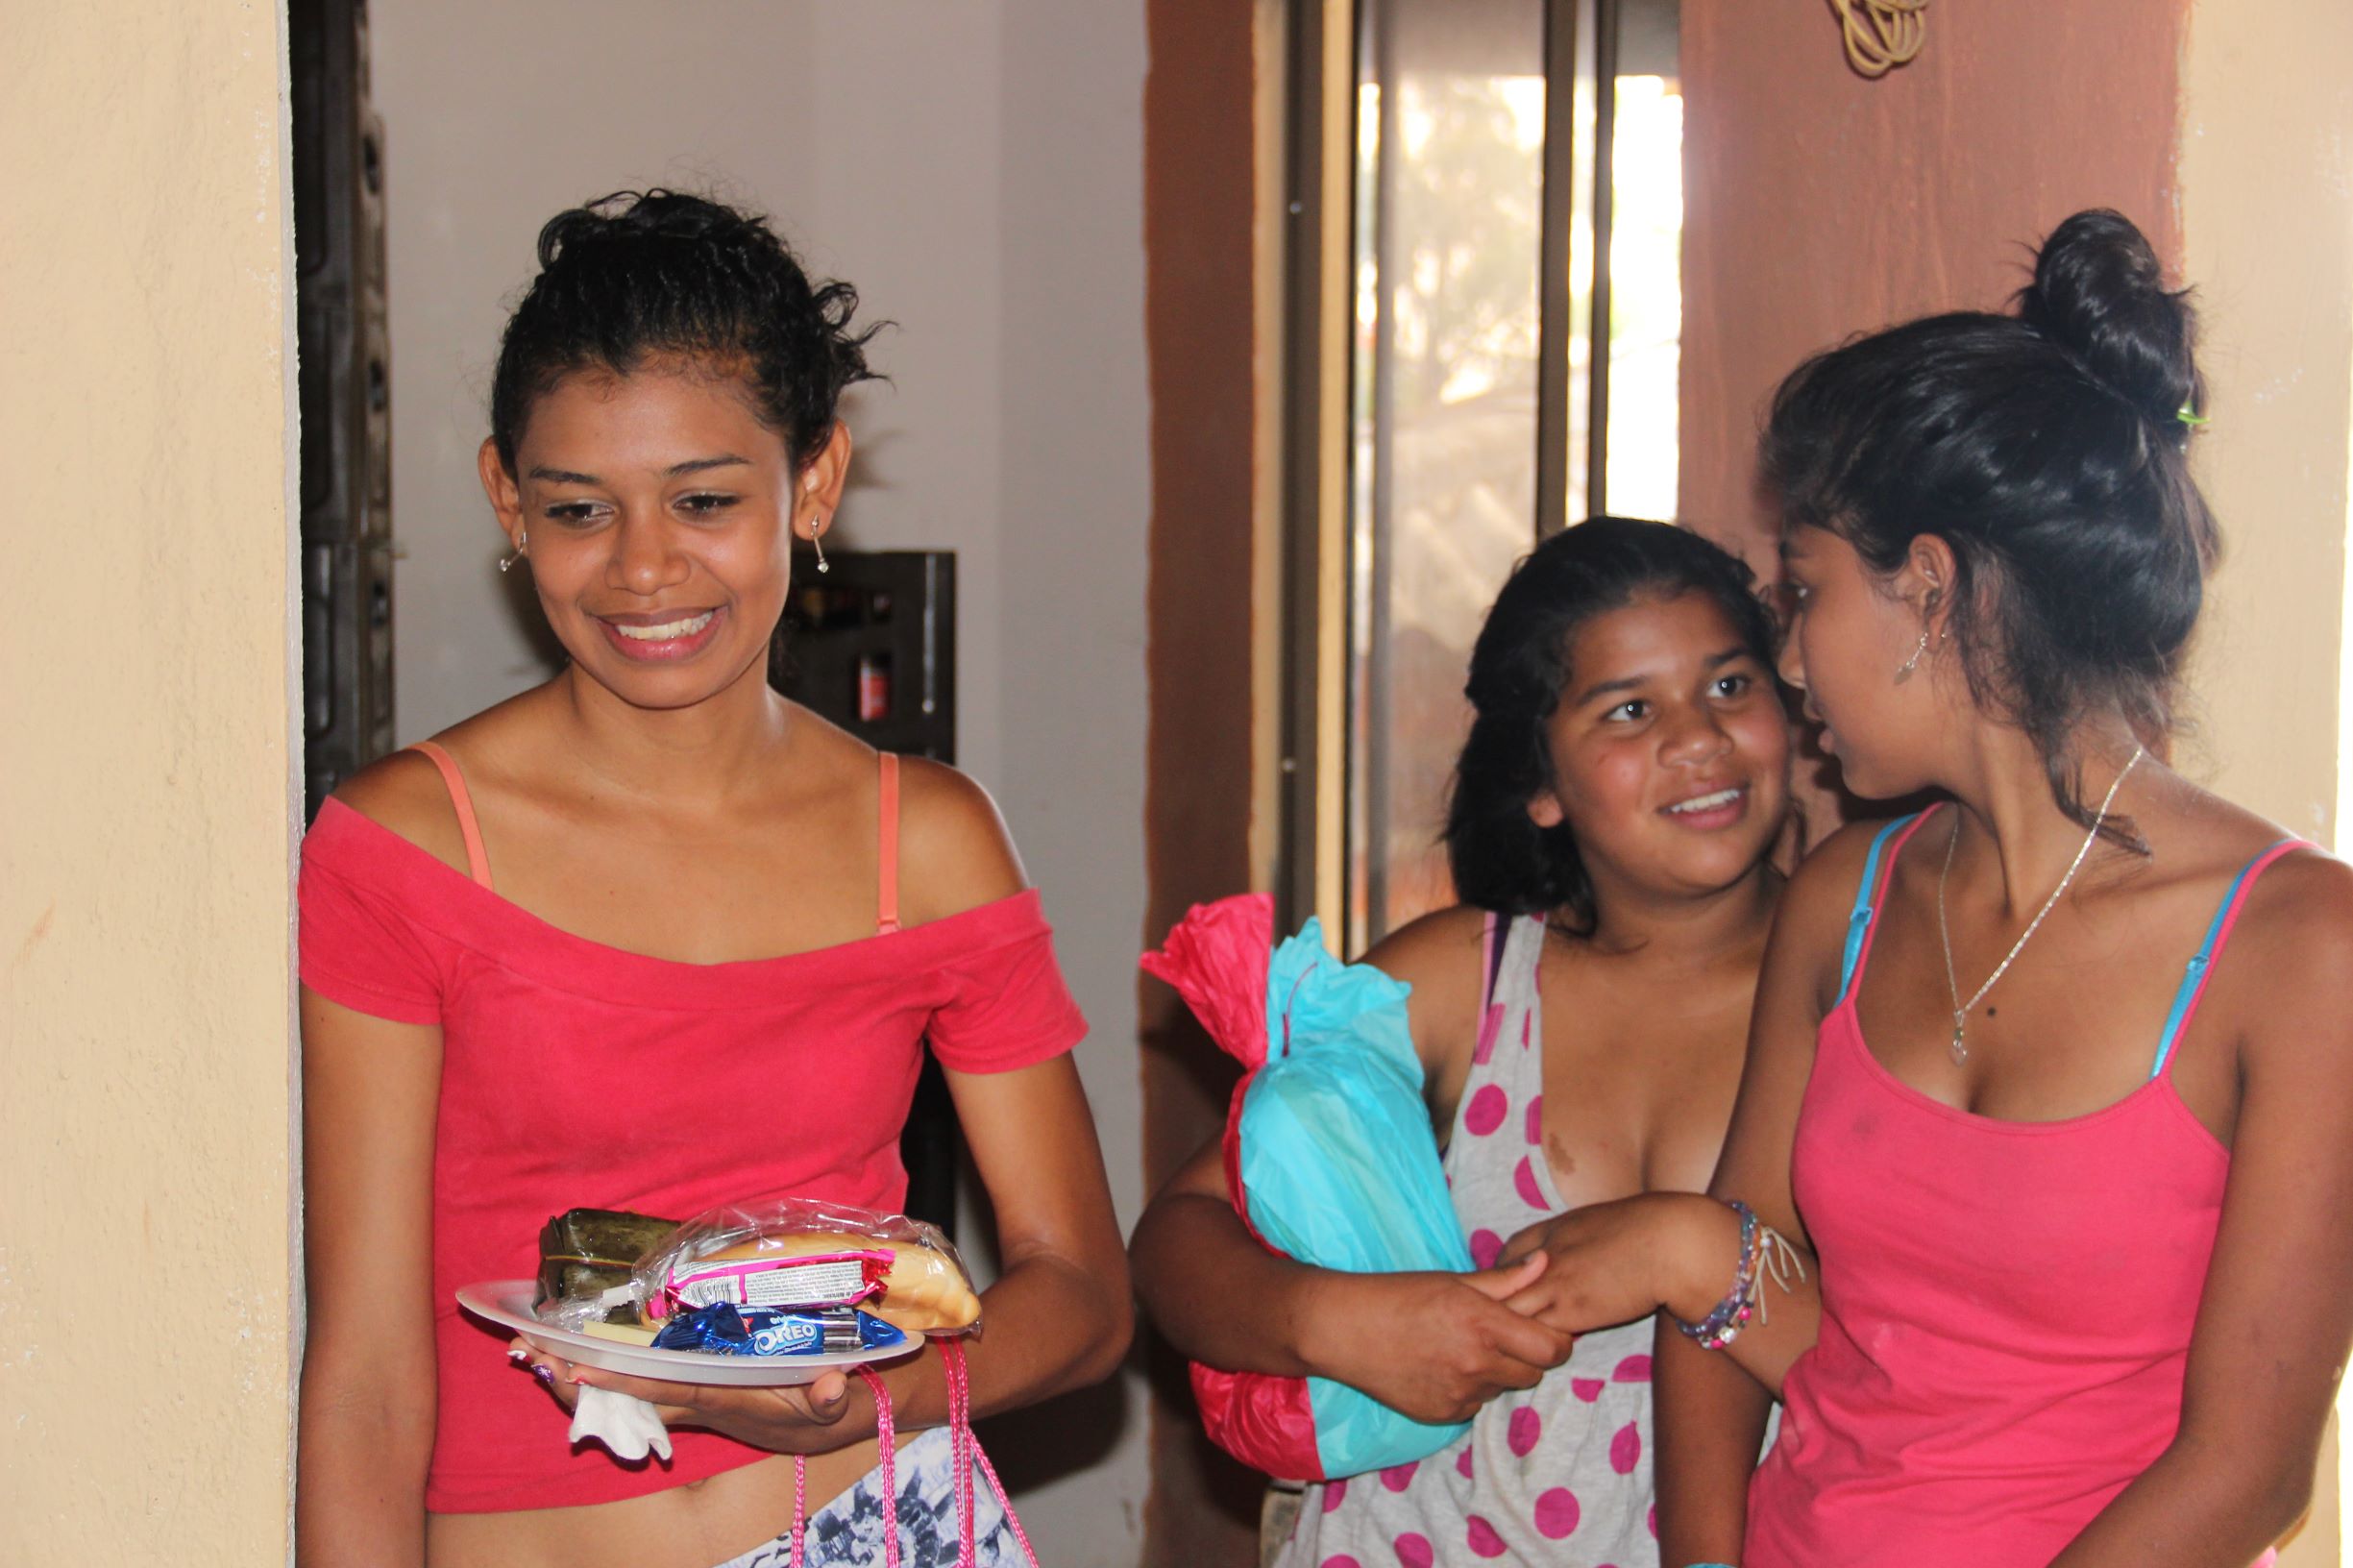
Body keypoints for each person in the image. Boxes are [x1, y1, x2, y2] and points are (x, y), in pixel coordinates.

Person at [295, 190, 1131, 1568]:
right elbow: (368, 1383)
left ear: (813, 482)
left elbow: (1084, 1296)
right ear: (508, 498)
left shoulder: (925, 842)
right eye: (579, 508)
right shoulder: (408, 847)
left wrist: (866, 1398)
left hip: (877, 1525)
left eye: (704, 500)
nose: (643, 567)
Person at [1508, 210, 2353, 1567]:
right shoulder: (1846, 899)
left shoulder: (2298, 949)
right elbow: (1736, 1280)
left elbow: (2244, 1473)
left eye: (1804, 594)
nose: (1789, 662)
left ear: (1930, 588)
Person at [1132, 517, 1795, 1567]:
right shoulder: (1468, 983)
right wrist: (1339, 1322)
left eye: (1728, 685)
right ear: (1541, 784)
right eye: (1629, 709)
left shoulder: (1864, 986)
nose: (1698, 738)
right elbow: (1176, 1241)